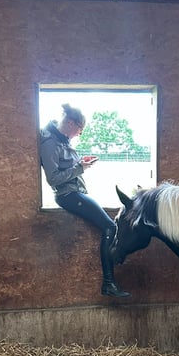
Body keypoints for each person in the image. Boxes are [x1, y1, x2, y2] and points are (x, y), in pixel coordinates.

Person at [39, 103, 131, 298]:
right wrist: (81, 168)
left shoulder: (61, 139)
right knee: (110, 227)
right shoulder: (49, 142)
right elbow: (53, 178)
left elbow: (66, 166)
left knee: (109, 225)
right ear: (71, 123)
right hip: (67, 195)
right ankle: (108, 283)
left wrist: (81, 163)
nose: (78, 134)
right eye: (80, 130)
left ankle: (110, 281)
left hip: (75, 192)